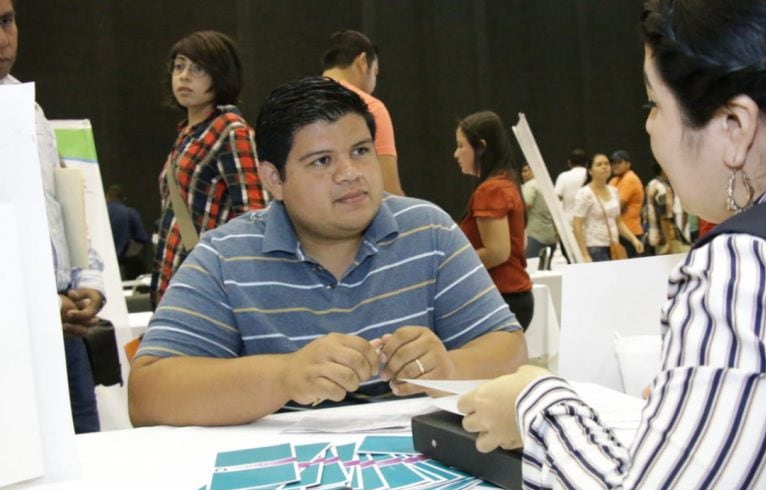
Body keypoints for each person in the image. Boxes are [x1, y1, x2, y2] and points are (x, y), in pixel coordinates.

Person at [457, 0, 766, 490]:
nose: (647, 128)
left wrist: (537, 406)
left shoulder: (753, 270)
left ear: (734, 125)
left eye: (653, 106)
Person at [128, 77, 527, 427]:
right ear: (274, 179)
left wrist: (451, 367)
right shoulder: (225, 257)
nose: (350, 173)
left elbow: (510, 349)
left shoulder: (428, 232)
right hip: (282, 471)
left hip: (421, 464)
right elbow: (147, 395)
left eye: (361, 151)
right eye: (322, 160)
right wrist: (284, 377)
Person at [1, 0, 105, 433]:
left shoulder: (29, 109)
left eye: (6, 21)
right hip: (11, 336)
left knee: (87, 456)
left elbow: (61, 209)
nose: (2, 39)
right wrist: (36, 302)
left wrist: (89, 283)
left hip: (63, 327)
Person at [151, 30, 267, 305]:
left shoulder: (231, 131)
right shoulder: (188, 133)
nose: (184, 76)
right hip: (174, 281)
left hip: (208, 288)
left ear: (220, 75)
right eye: (179, 66)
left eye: (198, 69)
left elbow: (257, 217)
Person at [454, 111, 534, 330]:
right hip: (510, 296)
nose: (456, 154)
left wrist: (452, 265)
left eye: (461, 146)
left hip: (502, 295)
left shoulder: (491, 189)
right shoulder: (505, 182)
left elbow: (497, 252)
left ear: (481, 147)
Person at [321, 30, 403, 196]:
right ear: (363, 62)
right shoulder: (369, 107)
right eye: (375, 72)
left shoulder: (294, 104)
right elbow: (389, 192)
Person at [572, 153, 644, 262]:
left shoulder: (613, 191)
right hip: (594, 246)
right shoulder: (585, 193)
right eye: (599, 164)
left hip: (613, 244)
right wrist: (584, 254)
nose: (604, 167)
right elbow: (577, 225)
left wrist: (633, 239)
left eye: (606, 164)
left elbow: (618, 221)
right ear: (590, 171)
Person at [645, 162, 690, 255]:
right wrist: (669, 243)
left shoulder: (651, 184)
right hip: (668, 238)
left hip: (655, 237)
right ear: (664, 169)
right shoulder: (663, 189)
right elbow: (665, 217)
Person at [106, 183, 149, 279]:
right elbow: (142, 238)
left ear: (107, 196)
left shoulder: (98, 212)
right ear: (123, 198)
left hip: (98, 265)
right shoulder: (129, 213)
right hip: (120, 265)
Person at [609, 149, 646, 257]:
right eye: (613, 163)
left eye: (619, 162)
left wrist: (611, 208)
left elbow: (616, 207)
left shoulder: (630, 178)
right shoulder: (614, 180)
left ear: (628, 164)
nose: (615, 165)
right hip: (618, 232)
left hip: (631, 232)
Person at [520, 164, 557, 259]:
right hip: (550, 236)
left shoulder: (530, 185)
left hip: (534, 235)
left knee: (531, 264)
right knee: (546, 266)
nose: (522, 174)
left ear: (534, 170)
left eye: (525, 171)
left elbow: (526, 203)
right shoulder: (548, 185)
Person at [553, 147, 588, 224]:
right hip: (589, 221)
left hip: (569, 221)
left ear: (569, 162)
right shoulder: (591, 176)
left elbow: (556, 198)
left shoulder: (563, 176)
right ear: (587, 163)